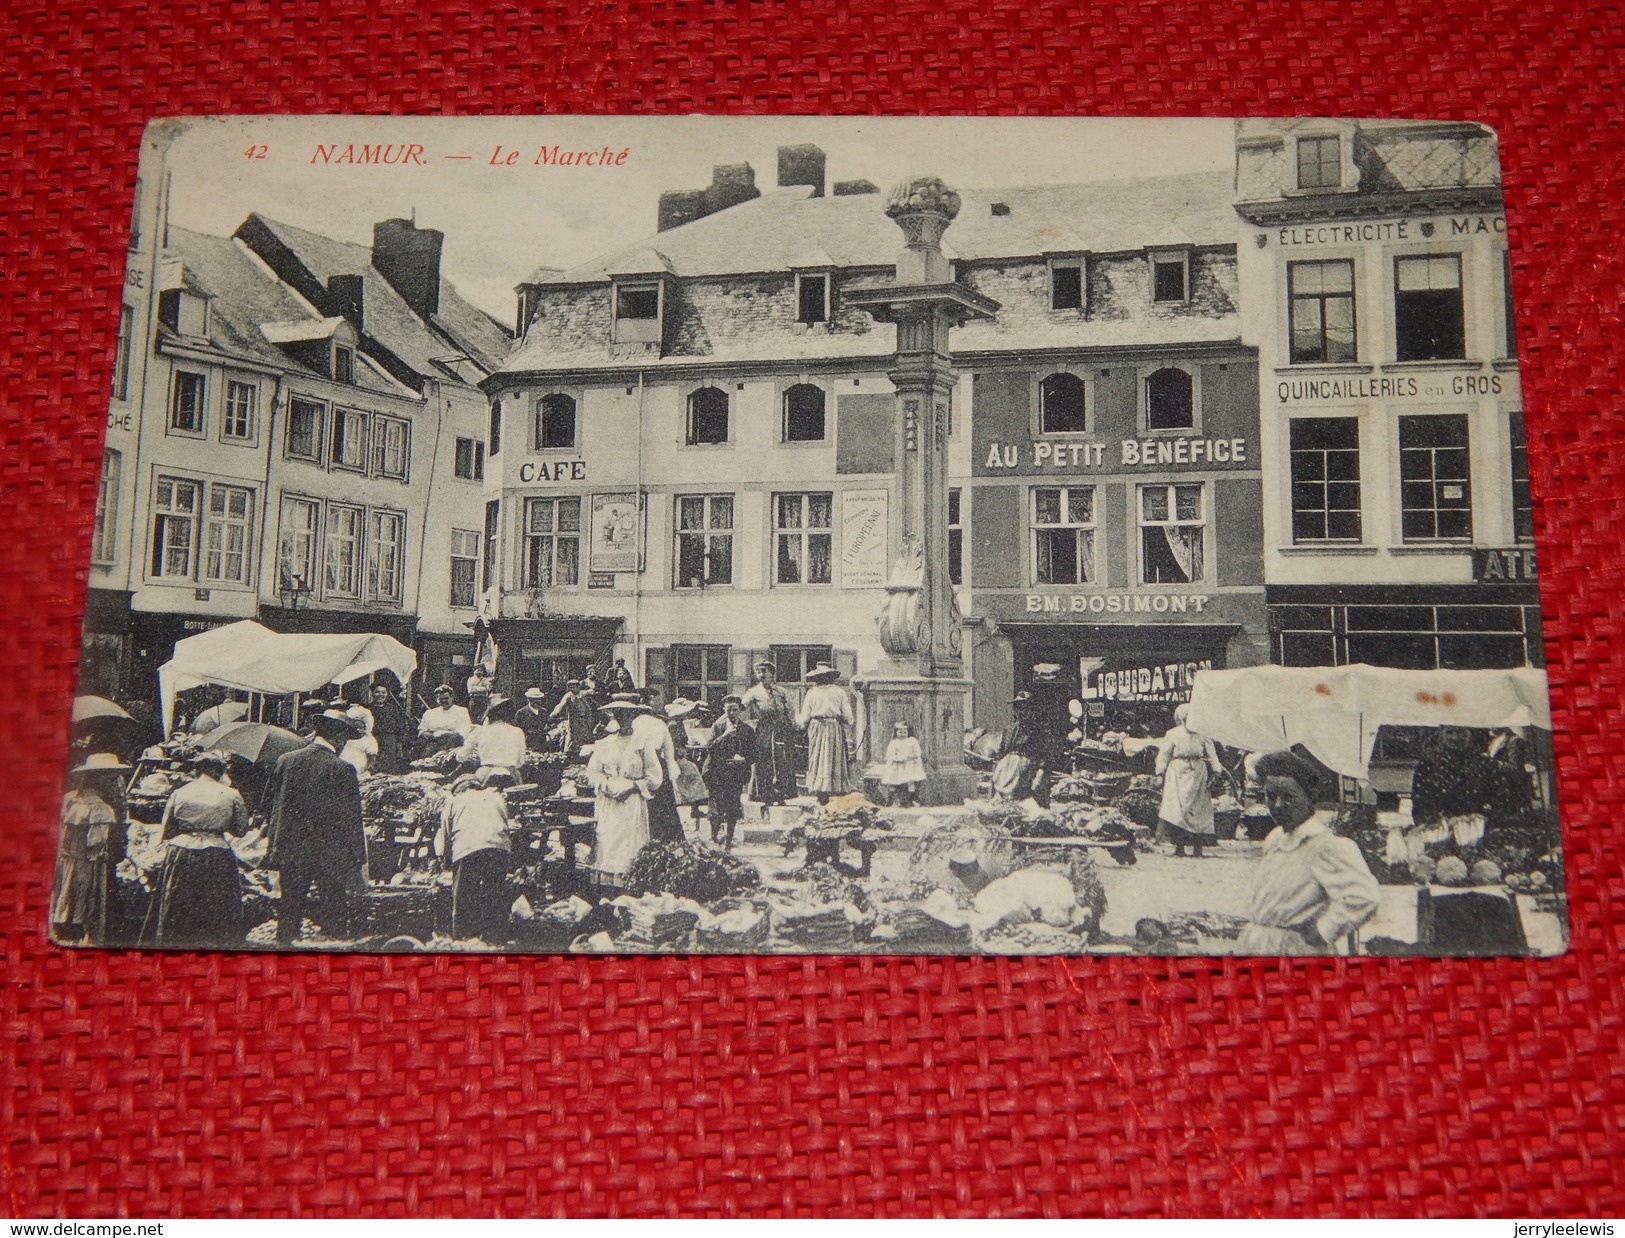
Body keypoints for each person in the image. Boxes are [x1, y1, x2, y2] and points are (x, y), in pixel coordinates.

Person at [1236, 750, 1379, 955]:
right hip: (1259, 944)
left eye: (1288, 797)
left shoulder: (1325, 845)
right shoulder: (1275, 839)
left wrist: (1325, 929)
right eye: (1271, 796)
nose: (1277, 805)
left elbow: (1364, 895)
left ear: (1309, 796)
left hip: (1294, 949)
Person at [265, 707, 368, 945]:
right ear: (339, 738)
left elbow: (269, 805)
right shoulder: (342, 769)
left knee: (289, 908)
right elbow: (351, 819)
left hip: (290, 849)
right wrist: (357, 857)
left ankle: (283, 955)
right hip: (328, 853)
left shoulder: (286, 761)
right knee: (334, 912)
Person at [144, 752, 250, 947]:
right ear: (218, 772)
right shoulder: (231, 794)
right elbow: (241, 829)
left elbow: (167, 829)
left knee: (179, 902)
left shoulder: (180, 792)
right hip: (216, 851)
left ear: (197, 770)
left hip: (182, 852)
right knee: (215, 903)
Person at [52, 753, 129, 944]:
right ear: (101, 778)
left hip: (68, 857)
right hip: (89, 862)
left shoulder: (71, 798)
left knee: (68, 888)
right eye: (111, 778)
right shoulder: (101, 809)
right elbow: (98, 846)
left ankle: (64, 920)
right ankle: (82, 925)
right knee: (86, 892)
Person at [435, 768, 515, 944]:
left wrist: (447, 863)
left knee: (463, 895)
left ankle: (462, 939)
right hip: (498, 847)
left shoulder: (453, 803)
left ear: (458, 790)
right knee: (494, 893)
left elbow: (446, 837)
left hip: (467, 847)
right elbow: (505, 825)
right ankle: (495, 937)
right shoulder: (495, 798)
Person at [586, 697, 659, 880]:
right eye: (618, 715)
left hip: (632, 800)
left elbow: (655, 775)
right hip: (609, 800)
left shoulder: (641, 743)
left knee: (629, 844)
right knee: (608, 840)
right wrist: (605, 785)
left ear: (633, 717)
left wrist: (634, 787)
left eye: (626, 715)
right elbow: (593, 772)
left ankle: (629, 880)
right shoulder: (605, 743)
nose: (622, 719)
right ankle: (607, 884)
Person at [1155, 703, 1224, 857]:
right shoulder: (1173, 734)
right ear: (1183, 719)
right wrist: (1160, 772)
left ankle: (1197, 848)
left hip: (1198, 773)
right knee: (1178, 811)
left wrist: (1217, 771)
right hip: (1177, 773)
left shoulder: (1203, 734)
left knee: (1199, 810)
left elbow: (1212, 754)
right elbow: (1164, 754)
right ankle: (1179, 847)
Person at [628, 692, 685, 843]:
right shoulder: (659, 723)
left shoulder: (632, 724)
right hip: (659, 765)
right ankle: (666, 838)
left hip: (636, 763)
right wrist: (671, 772)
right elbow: (669, 751)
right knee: (663, 804)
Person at [743, 660, 799, 807]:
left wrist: (793, 726)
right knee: (764, 761)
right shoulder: (753, 692)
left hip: (782, 729)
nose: (760, 675)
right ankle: (764, 795)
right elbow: (742, 706)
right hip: (764, 730)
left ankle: (781, 795)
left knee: (782, 762)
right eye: (758, 672)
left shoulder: (782, 691)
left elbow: (790, 710)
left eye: (764, 671)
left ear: (772, 674)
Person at [798, 663, 856, 804]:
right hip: (829, 726)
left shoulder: (814, 692)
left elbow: (805, 716)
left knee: (822, 757)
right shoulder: (837, 691)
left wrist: (801, 726)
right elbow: (848, 717)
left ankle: (824, 792)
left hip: (821, 726)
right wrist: (847, 720)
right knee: (827, 757)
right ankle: (828, 791)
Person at [703, 695, 756, 848]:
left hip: (735, 773)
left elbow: (754, 753)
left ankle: (729, 839)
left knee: (733, 806)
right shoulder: (718, 726)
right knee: (715, 806)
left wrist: (744, 760)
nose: (731, 713)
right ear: (724, 710)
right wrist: (724, 736)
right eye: (728, 710)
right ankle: (713, 838)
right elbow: (709, 747)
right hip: (716, 772)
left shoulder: (747, 729)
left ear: (740, 710)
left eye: (734, 710)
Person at [991, 692, 1051, 805]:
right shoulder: (1009, 730)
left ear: (1032, 710)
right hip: (1007, 768)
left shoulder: (1038, 730)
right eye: (1018, 708)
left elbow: (1044, 755)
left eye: (1025, 708)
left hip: (1027, 768)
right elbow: (1001, 752)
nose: (1022, 712)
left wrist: (1040, 772)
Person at [664, 699, 711, 833]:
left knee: (691, 777)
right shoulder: (673, 725)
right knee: (691, 776)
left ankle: (694, 808)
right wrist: (677, 752)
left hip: (681, 754)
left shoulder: (679, 724)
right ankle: (693, 807)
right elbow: (672, 742)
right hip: (676, 756)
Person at [456, 695, 527, 782]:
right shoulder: (518, 731)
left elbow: (461, 756)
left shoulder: (480, 730)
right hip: (511, 774)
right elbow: (520, 761)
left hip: (486, 772)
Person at [880, 719, 927, 808]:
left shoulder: (912, 741)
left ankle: (910, 800)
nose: (902, 734)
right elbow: (889, 755)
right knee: (893, 782)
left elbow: (917, 753)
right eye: (900, 732)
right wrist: (896, 759)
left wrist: (907, 758)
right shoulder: (894, 743)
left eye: (904, 732)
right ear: (896, 732)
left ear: (908, 732)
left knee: (910, 782)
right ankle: (891, 800)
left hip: (909, 766)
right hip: (898, 766)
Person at [368, 682, 412, 774]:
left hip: (389, 743)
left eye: (383, 692)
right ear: (372, 693)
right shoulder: (367, 709)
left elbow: (400, 727)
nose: (381, 695)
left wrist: (399, 745)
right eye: (377, 692)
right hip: (371, 741)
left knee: (388, 769)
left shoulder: (393, 709)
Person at [417, 685, 473, 755]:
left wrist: (448, 735)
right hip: (433, 745)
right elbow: (422, 731)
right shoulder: (430, 713)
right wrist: (430, 736)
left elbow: (465, 730)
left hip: (453, 746)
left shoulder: (461, 711)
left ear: (451, 697)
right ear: (437, 699)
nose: (443, 701)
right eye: (440, 699)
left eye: (446, 698)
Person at [549, 679, 597, 756]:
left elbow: (593, 700)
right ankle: (570, 753)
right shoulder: (568, 696)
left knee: (586, 736)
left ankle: (585, 754)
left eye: (574, 687)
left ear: (578, 687)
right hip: (574, 720)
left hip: (586, 719)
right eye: (570, 688)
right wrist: (554, 713)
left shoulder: (584, 694)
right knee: (572, 736)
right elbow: (560, 705)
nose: (572, 689)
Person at [340, 704, 378, 777]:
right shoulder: (345, 738)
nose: (357, 730)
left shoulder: (368, 740)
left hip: (360, 771)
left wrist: (367, 767)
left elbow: (372, 757)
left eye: (361, 727)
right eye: (355, 727)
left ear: (366, 727)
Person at [515, 687, 552, 753]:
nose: (536, 701)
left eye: (538, 699)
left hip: (542, 744)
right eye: (533, 699)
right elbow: (518, 730)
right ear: (528, 699)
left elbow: (548, 724)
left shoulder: (543, 711)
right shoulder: (521, 713)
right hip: (528, 744)